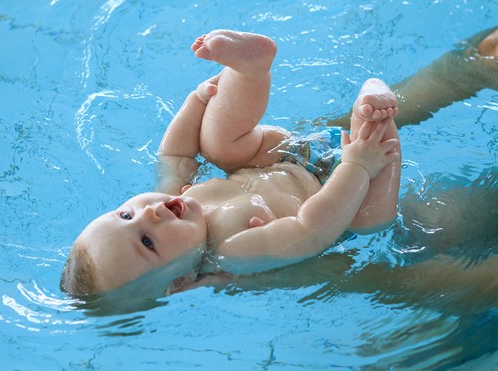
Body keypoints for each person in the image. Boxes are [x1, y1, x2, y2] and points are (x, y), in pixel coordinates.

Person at [61, 27, 498, 296]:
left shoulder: (176, 196)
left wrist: (198, 101)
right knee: (369, 221)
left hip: (289, 154)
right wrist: (358, 167)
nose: (151, 213)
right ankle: (372, 114)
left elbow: (174, 152)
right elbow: (312, 227)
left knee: (218, 145)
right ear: (179, 281)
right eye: (148, 242)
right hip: (346, 194)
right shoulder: (234, 252)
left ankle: (250, 71)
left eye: (125, 213)